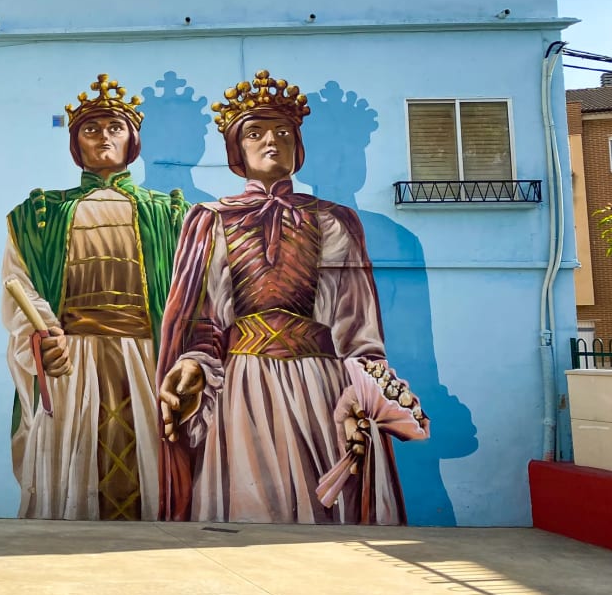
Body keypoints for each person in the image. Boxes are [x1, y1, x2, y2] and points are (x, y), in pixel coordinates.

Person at [156, 69, 428, 525]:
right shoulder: (208, 219)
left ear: (298, 146)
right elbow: (202, 319)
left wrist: (362, 395)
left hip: (318, 386)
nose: (271, 142)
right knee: (245, 504)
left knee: (323, 505)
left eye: (284, 132)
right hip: (242, 385)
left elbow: (356, 326)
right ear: (236, 150)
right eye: (256, 133)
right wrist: (190, 364)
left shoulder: (334, 221)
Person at [2, 74, 185, 520]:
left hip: (145, 360)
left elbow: (191, 292)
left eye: (114, 128)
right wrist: (44, 338)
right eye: (91, 129)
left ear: (132, 140)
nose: (104, 137)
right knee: (73, 477)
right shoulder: (39, 215)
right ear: (75, 142)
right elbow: (19, 284)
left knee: (151, 472)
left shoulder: (170, 213)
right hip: (74, 362)